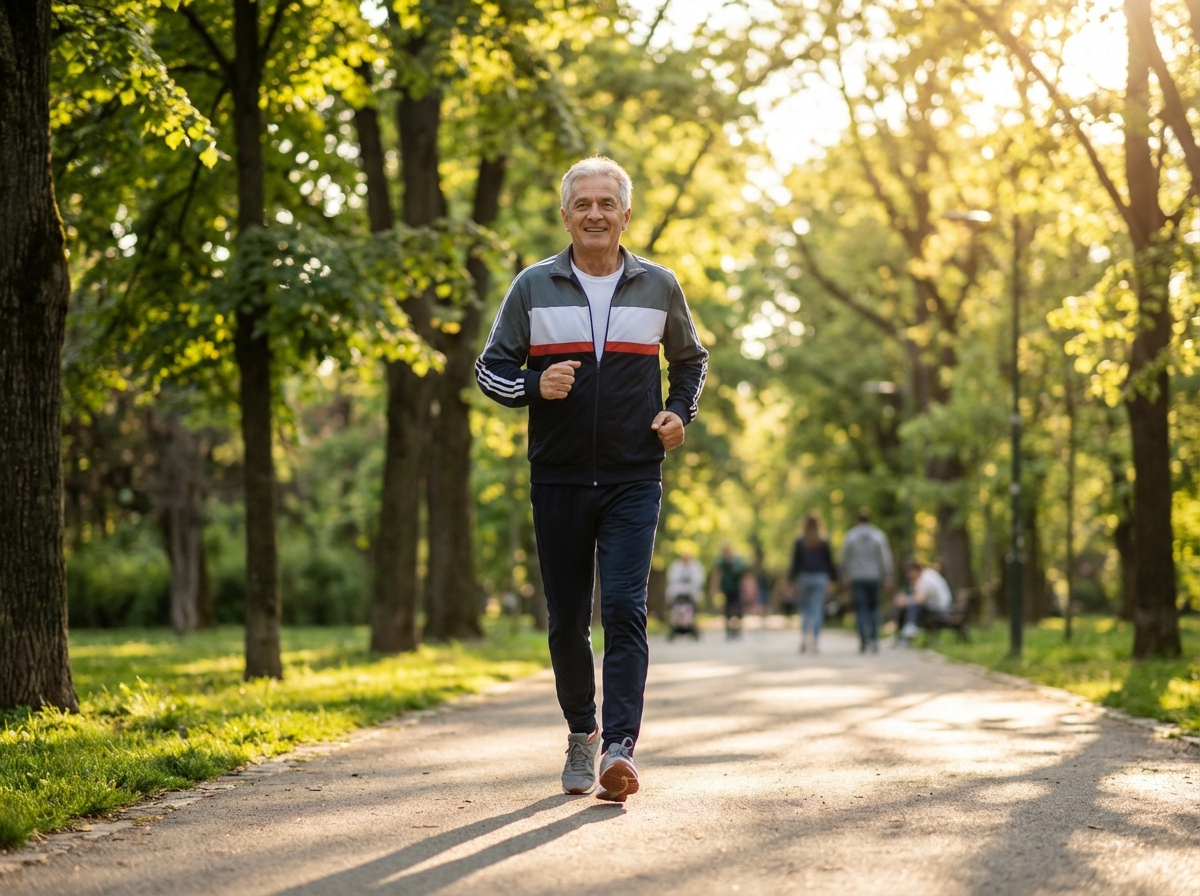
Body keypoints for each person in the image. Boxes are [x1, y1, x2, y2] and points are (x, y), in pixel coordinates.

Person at [475, 156, 708, 803]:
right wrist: (532, 384)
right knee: (567, 620)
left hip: (635, 476)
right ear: (566, 215)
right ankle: (583, 730)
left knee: (626, 611)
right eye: (584, 204)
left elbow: (691, 360)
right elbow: (488, 369)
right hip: (559, 477)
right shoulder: (533, 287)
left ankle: (618, 750)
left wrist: (677, 412)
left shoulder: (658, 286)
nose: (596, 214)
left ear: (626, 215)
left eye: (608, 203)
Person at [840, 507, 894, 654]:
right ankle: (875, 639)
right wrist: (887, 576)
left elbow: (844, 558)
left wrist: (844, 574)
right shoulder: (879, 536)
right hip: (874, 577)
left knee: (860, 609)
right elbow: (885, 559)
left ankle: (863, 641)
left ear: (857, 520)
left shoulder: (850, 536)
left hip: (857, 577)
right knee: (874, 608)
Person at [787, 513, 837, 654]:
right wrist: (833, 579)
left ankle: (804, 638)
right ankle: (814, 641)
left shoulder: (800, 541)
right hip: (820, 578)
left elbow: (794, 563)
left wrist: (791, 581)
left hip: (804, 577)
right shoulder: (823, 541)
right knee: (816, 609)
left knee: (804, 609)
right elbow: (829, 563)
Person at [898, 558, 953, 642]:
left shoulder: (926, 579)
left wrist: (907, 600)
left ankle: (910, 628)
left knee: (913, 606)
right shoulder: (928, 574)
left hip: (941, 610)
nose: (909, 576)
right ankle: (906, 632)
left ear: (914, 570)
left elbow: (920, 600)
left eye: (910, 573)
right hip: (940, 607)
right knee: (910, 606)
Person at [665, 549, 705, 640]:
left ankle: (690, 626)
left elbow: (699, 580)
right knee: (675, 609)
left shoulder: (695, 566)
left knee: (692, 609)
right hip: (678, 591)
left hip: (691, 591)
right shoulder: (676, 566)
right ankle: (676, 625)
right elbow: (672, 578)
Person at [712, 543, 747, 639]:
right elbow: (717, 575)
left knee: (737, 610)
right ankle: (729, 630)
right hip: (726, 589)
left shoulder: (738, 561)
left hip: (737, 589)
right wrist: (715, 588)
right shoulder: (721, 562)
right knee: (727, 610)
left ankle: (737, 628)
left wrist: (746, 589)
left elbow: (743, 576)